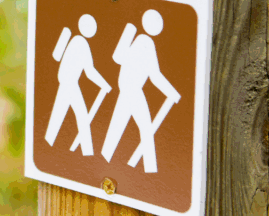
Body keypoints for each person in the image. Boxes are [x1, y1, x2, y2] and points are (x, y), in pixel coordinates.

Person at [100, 9, 180, 173]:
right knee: (145, 128)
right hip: (133, 91)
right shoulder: (145, 43)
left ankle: (104, 159)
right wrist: (171, 92)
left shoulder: (138, 40)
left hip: (126, 90)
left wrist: (171, 92)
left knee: (117, 127)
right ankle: (150, 170)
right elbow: (154, 75)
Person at [45, 14, 112, 156]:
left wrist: (103, 84)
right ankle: (87, 152)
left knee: (59, 115)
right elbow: (89, 71)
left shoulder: (76, 40)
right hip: (69, 84)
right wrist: (104, 84)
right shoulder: (81, 43)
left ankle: (48, 142)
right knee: (81, 116)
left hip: (66, 82)